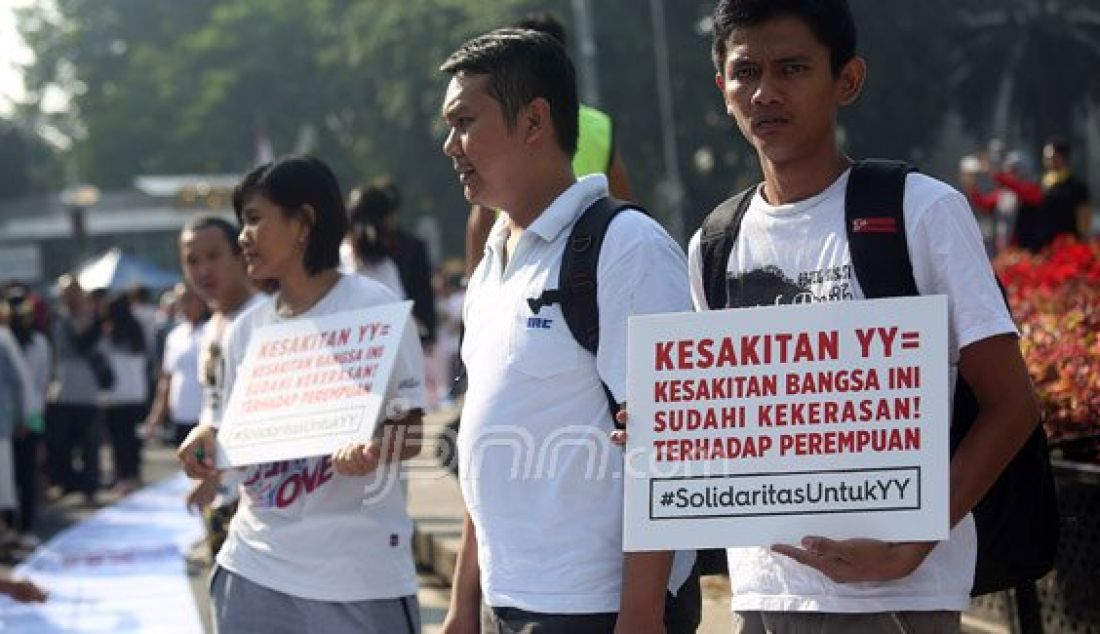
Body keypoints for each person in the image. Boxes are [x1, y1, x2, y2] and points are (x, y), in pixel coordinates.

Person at [683, 1, 1040, 631]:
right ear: (722, 89)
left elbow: (1012, 404)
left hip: (902, 598)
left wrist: (912, 542)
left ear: (846, 80)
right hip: (765, 595)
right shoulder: (714, 242)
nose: (765, 92)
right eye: (746, 72)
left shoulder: (921, 212)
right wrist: (670, 431)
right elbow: (736, 419)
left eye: (793, 68)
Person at [439, 29, 695, 634]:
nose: (451, 145)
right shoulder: (491, 266)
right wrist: (462, 606)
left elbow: (670, 442)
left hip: (600, 610)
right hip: (512, 604)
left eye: (465, 122)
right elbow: (489, 442)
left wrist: (640, 614)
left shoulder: (627, 248)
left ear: (533, 121)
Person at [177, 154, 426, 633]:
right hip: (252, 570)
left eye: (253, 220)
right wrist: (205, 439)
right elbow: (231, 428)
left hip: (355, 579)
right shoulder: (247, 328)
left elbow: (411, 429)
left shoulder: (375, 308)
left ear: (303, 223)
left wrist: (374, 451)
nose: (243, 237)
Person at [464, 11, 634, 279]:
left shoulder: (504, 127)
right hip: (589, 261)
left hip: (523, 262)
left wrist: (472, 292)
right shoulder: (599, 125)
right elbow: (624, 202)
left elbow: (481, 219)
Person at [176, 215, 264, 560]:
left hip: (265, 496)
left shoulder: (264, 317)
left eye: (213, 256)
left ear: (240, 255)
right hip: (225, 494)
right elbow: (215, 407)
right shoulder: (214, 324)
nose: (203, 270)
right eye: (192, 261)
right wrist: (210, 475)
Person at [45, 275, 103, 505]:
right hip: (62, 392)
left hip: (88, 394)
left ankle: (89, 486)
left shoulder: (92, 320)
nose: (66, 297)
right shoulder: (56, 320)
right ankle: (65, 483)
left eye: (70, 292)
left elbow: (89, 345)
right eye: (63, 293)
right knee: (62, 444)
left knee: (89, 445)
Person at [144, 283, 208, 446]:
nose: (184, 306)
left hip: (205, 418)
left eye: (188, 300)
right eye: (180, 301)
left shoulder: (213, 330)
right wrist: (156, 415)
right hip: (179, 415)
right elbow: (167, 378)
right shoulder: (175, 335)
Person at [961, 150, 1044, 252]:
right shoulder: (1005, 193)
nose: (1009, 173)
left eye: (1014, 170)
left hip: (1026, 249)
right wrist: (972, 186)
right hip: (1005, 249)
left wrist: (995, 174)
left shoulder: (1031, 189)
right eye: (1008, 169)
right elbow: (984, 204)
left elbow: (1021, 189)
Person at [1038, 137, 1092, 248]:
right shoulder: (1040, 185)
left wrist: (1083, 239)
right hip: (1044, 247)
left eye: (1052, 157)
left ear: (1063, 157)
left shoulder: (1077, 187)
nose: (1048, 161)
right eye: (1046, 157)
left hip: (1069, 245)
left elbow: (1084, 220)